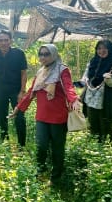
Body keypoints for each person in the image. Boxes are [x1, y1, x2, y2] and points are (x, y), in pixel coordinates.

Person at [9, 44, 80, 186]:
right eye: (41, 54)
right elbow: (31, 92)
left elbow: (68, 87)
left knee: (57, 148)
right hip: (42, 116)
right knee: (41, 145)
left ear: (53, 54)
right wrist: (19, 108)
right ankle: (40, 171)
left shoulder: (62, 69)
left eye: (46, 54)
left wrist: (74, 99)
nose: (43, 57)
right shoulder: (41, 72)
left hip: (58, 116)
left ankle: (55, 178)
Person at [0, 29, 27, 146]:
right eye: (1, 40)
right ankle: (4, 142)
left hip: (16, 90)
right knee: (1, 117)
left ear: (11, 41)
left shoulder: (19, 54)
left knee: (19, 117)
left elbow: (24, 73)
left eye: (6, 40)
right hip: (0, 90)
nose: (4, 43)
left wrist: (22, 91)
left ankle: (21, 145)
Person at [80, 39, 112, 143]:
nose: (101, 51)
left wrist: (108, 79)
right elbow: (85, 76)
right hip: (91, 99)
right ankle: (95, 148)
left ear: (110, 49)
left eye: (105, 48)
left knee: (107, 126)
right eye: (99, 48)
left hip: (107, 99)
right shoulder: (93, 61)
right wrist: (82, 82)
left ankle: (109, 148)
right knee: (93, 124)